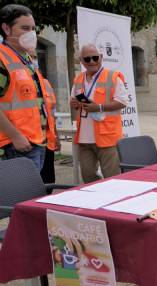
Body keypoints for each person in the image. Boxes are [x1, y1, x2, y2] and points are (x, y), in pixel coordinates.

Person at [0, 4, 56, 171]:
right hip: (15, 145)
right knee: (18, 195)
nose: (31, 33)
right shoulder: (2, 59)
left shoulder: (25, 59)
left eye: (33, 28)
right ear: (6, 29)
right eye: (24, 28)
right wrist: (15, 136)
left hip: (35, 141)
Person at [70, 43, 128, 183]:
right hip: (84, 139)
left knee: (112, 179)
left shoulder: (112, 77)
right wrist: (75, 104)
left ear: (101, 57)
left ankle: (113, 203)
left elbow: (123, 102)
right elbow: (73, 101)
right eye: (87, 59)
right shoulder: (78, 79)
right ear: (81, 60)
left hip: (107, 138)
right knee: (88, 177)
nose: (92, 62)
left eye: (95, 58)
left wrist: (99, 107)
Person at [28, 50, 61, 184]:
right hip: (31, 140)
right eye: (31, 57)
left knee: (49, 180)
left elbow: (51, 113)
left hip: (48, 139)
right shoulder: (20, 80)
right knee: (33, 183)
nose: (34, 60)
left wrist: (56, 136)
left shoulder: (45, 83)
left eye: (35, 57)